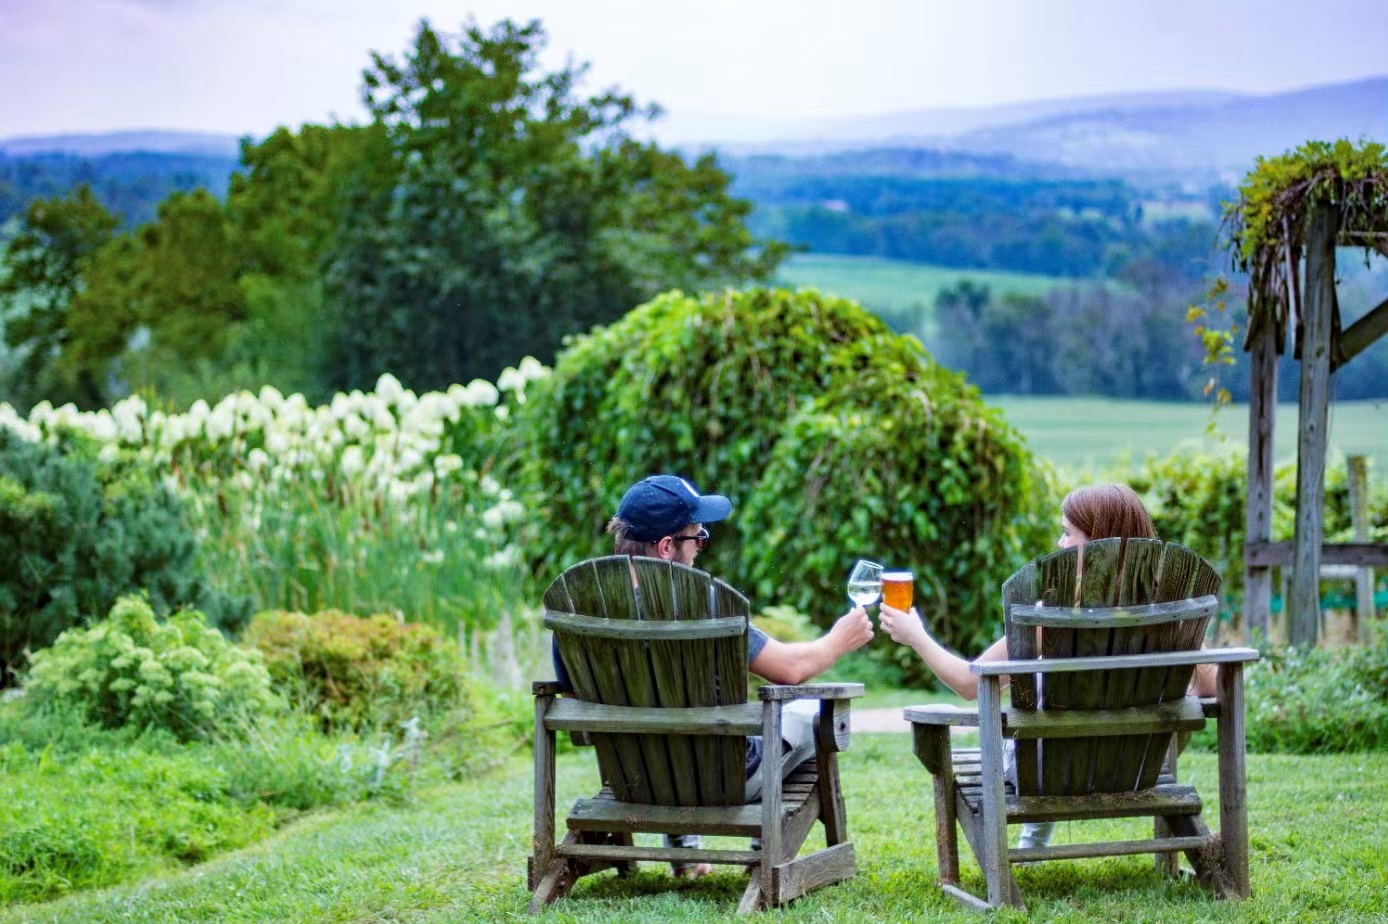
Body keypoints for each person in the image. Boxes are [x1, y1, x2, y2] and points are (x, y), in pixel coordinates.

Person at [551, 474, 875, 879]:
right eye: (697, 537)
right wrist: (838, 641)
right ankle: (765, 843)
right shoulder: (705, 603)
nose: (702, 547)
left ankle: (685, 851)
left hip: (630, 778)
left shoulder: (577, 610)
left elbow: (572, 693)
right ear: (667, 547)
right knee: (811, 709)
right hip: (727, 780)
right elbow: (791, 670)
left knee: (670, 739)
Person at [877, 483, 1215, 851]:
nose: (1060, 544)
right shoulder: (1171, 616)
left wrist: (916, 635)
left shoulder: (1052, 616)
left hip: (1047, 772)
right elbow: (1212, 687)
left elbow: (968, 683)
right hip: (1138, 766)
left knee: (1049, 712)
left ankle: (1029, 844)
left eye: (1068, 533)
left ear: (1098, 541)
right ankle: (1033, 841)